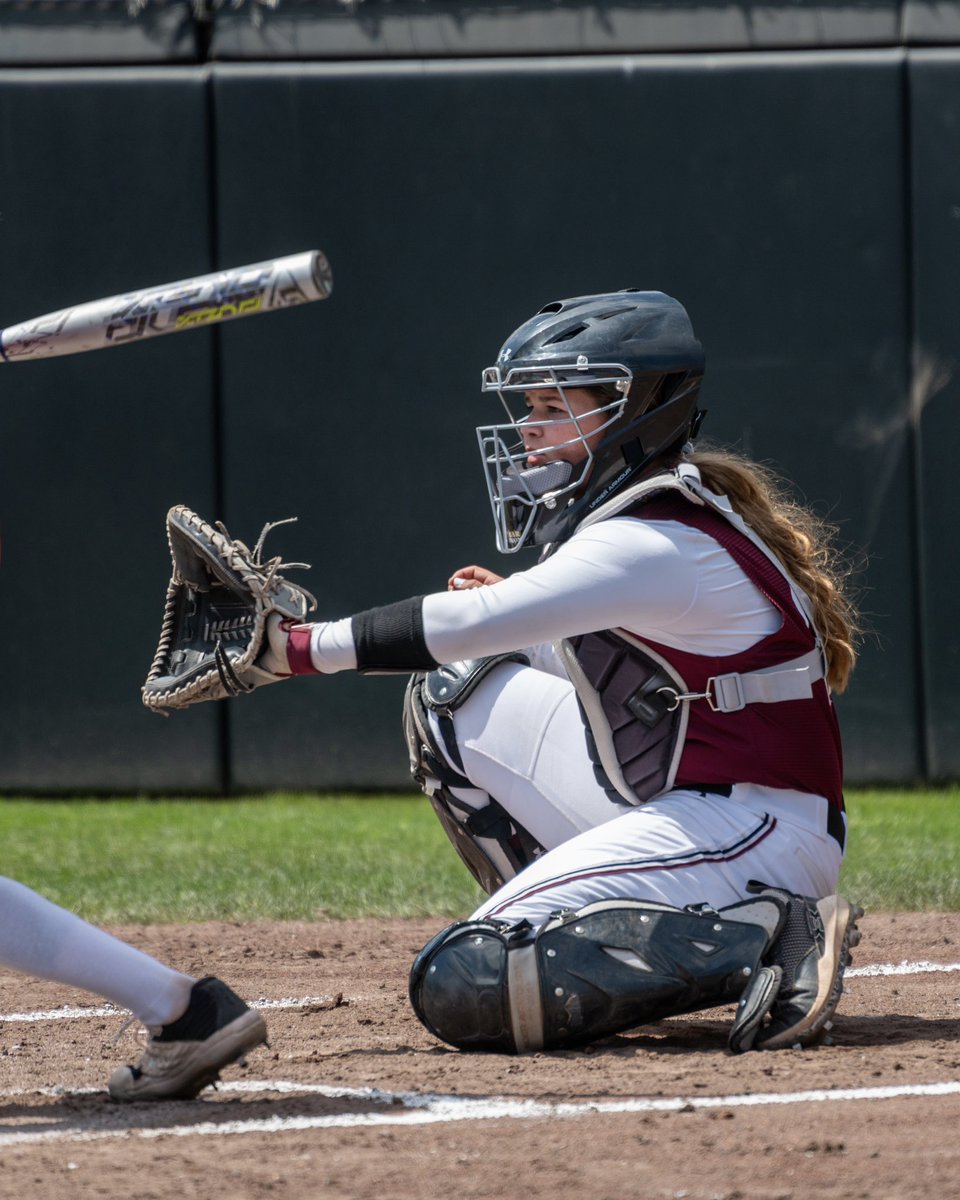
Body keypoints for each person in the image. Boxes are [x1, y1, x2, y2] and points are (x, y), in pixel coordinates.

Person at [254, 288, 863, 1054]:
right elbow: (615, 678)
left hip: (755, 833)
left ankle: (770, 934)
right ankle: (570, 927)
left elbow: (468, 624)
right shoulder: (649, 517)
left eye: (551, 405)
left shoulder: (649, 538)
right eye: (528, 406)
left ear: (630, 408)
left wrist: (289, 649)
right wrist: (516, 623)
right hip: (694, 808)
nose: (527, 430)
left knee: (465, 980)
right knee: (454, 693)